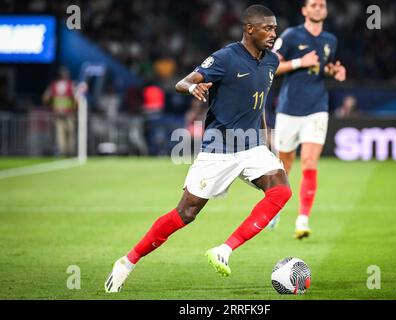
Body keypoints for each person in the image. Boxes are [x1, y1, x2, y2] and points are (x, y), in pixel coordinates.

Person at [105, 5, 292, 293]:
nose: (273, 33)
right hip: (219, 149)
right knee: (186, 213)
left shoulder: (271, 61)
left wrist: (268, 141)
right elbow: (183, 81)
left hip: (253, 146)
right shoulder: (225, 58)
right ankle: (127, 262)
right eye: (268, 28)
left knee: (281, 189)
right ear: (249, 29)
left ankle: (224, 250)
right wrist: (192, 88)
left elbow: (261, 104)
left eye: (275, 28)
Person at [268, 0, 346, 238]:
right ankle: (276, 208)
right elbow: (270, 65)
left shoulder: (330, 40)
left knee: (310, 163)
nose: (318, 8)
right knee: (285, 166)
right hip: (289, 109)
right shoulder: (291, 35)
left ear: (325, 10)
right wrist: (300, 62)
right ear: (304, 10)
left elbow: (325, 68)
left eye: (321, 5)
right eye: (313, 4)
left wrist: (334, 72)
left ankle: (303, 220)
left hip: (317, 108)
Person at [42, 67, 78, 157]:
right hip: (68, 113)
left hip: (58, 112)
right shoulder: (71, 85)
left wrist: (50, 107)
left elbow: (45, 98)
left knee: (61, 133)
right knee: (69, 133)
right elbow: (76, 99)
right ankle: (69, 152)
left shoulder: (53, 85)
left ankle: (63, 152)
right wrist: (75, 109)